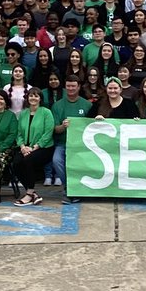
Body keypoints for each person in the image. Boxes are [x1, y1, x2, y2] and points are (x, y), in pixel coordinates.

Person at [52, 74, 92, 204]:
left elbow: (92, 126)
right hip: (63, 143)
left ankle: (77, 189)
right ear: (65, 87)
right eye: (68, 86)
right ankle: (69, 187)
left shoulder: (87, 105)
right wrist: (63, 126)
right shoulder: (57, 106)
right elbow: (55, 129)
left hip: (82, 144)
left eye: (73, 86)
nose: (71, 89)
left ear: (79, 87)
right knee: (56, 160)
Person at [12, 86, 55, 207]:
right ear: (27, 98)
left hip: (44, 148)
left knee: (27, 160)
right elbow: (18, 133)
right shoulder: (23, 113)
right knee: (16, 162)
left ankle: (29, 193)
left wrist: (35, 147)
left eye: (36, 96)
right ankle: (32, 193)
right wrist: (22, 147)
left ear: (40, 98)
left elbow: (48, 132)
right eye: (31, 95)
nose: (33, 98)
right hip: (26, 148)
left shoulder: (46, 112)